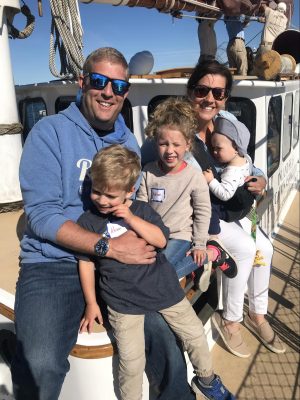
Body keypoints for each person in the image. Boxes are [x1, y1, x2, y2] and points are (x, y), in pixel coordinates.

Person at [11, 47, 197, 400]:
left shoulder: (126, 140)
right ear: (83, 83)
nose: (108, 91)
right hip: (54, 262)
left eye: (119, 85)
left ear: (126, 91)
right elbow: (43, 215)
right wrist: (109, 248)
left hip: (116, 266)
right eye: (99, 81)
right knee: (39, 363)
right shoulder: (49, 133)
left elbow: (136, 200)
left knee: (164, 341)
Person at [77, 144, 235, 400]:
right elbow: (85, 262)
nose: (102, 201)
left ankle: (206, 379)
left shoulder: (141, 211)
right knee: (131, 361)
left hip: (163, 289)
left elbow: (161, 240)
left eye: (111, 196)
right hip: (123, 302)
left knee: (194, 334)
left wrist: (129, 217)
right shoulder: (87, 222)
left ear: (130, 191)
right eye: (96, 192)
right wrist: (91, 302)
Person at [185, 60, 286, 358]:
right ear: (190, 92)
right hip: (207, 216)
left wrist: (261, 179)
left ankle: (257, 313)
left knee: (265, 251)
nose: (211, 99)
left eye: (219, 92)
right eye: (202, 90)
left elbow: (247, 162)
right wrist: (209, 234)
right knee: (243, 248)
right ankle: (230, 320)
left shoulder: (226, 120)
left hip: (234, 208)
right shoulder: (181, 136)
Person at [137, 97, 237, 289]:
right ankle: (211, 255)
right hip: (154, 235)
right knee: (146, 270)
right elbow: (141, 207)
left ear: (188, 144)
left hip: (180, 236)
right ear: (155, 142)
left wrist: (199, 244)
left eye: (176, 144)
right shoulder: (148, 172)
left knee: (160, 275)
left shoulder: (194, 176)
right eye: (163, 143)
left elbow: (202, 212)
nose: (170, 151)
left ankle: (210, 254)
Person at [203, 116, 253, 204]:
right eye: (213, 147)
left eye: (218, 148)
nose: (214, 152)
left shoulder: (232, 172)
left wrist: (211, 180)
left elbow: (225, 194)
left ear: (236, 149)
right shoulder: (246, 159)